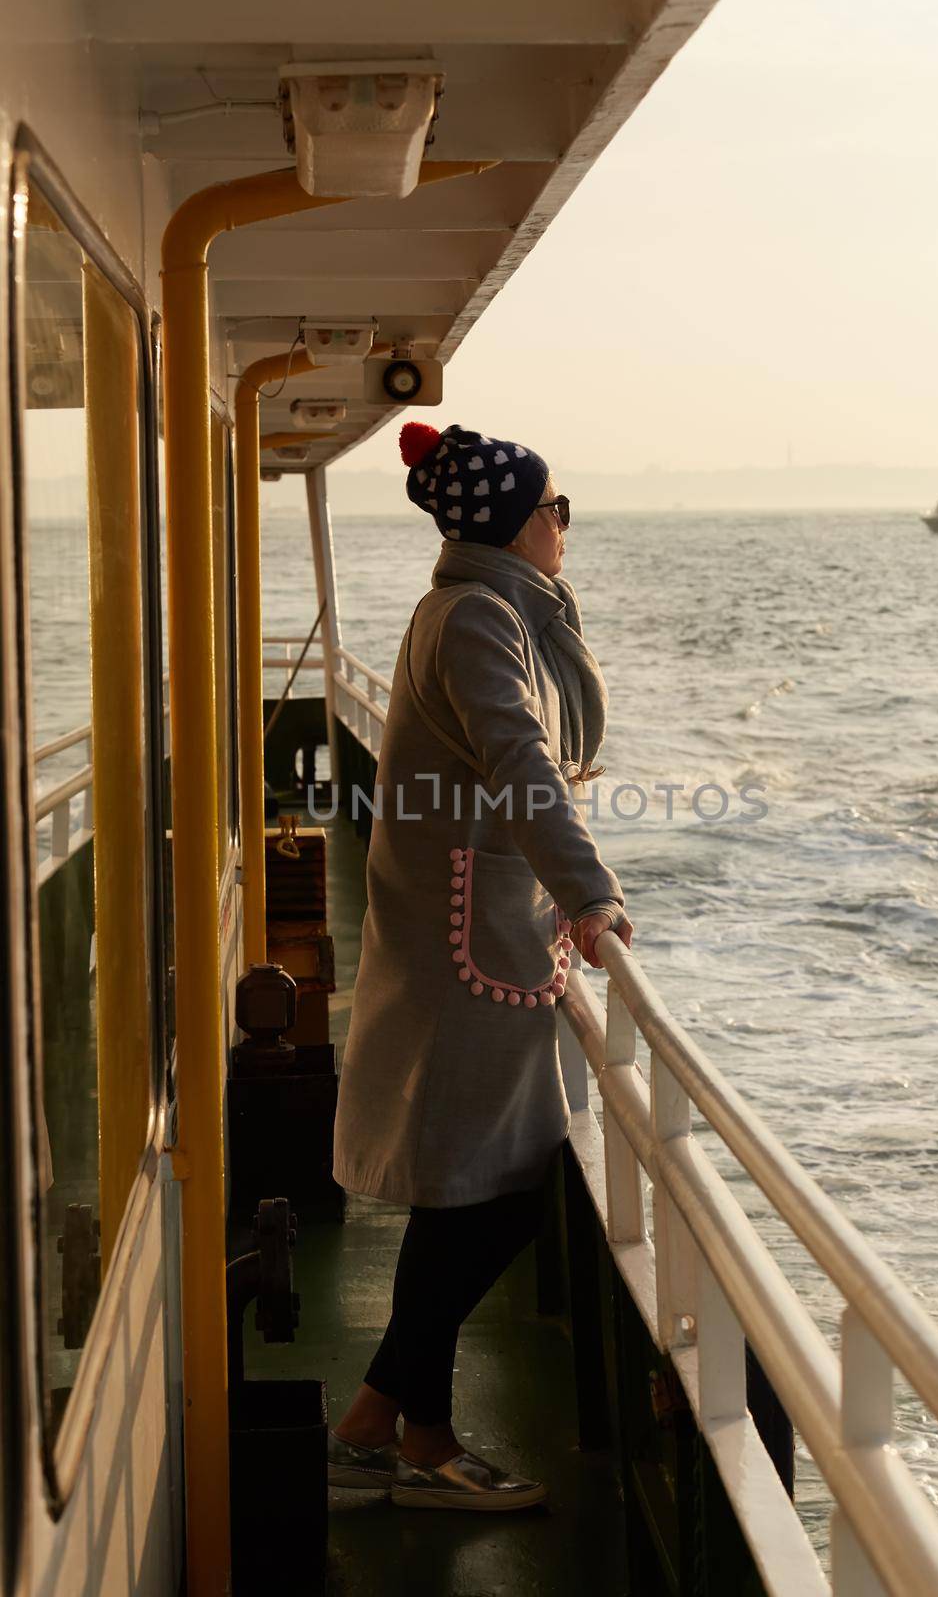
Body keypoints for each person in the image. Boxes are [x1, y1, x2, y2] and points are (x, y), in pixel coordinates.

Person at [329, 420, 633, 1510]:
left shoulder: (492, 608)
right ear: (512, 519)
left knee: (474, 1192)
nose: (563, 525)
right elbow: (521, 765)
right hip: (467, 948)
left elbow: (540, 759)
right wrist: (591, 894)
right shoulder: (472, 618)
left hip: (491, 936)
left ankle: (396, 1428)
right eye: (555, 507)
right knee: (489, 1196)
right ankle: (406, 1435)